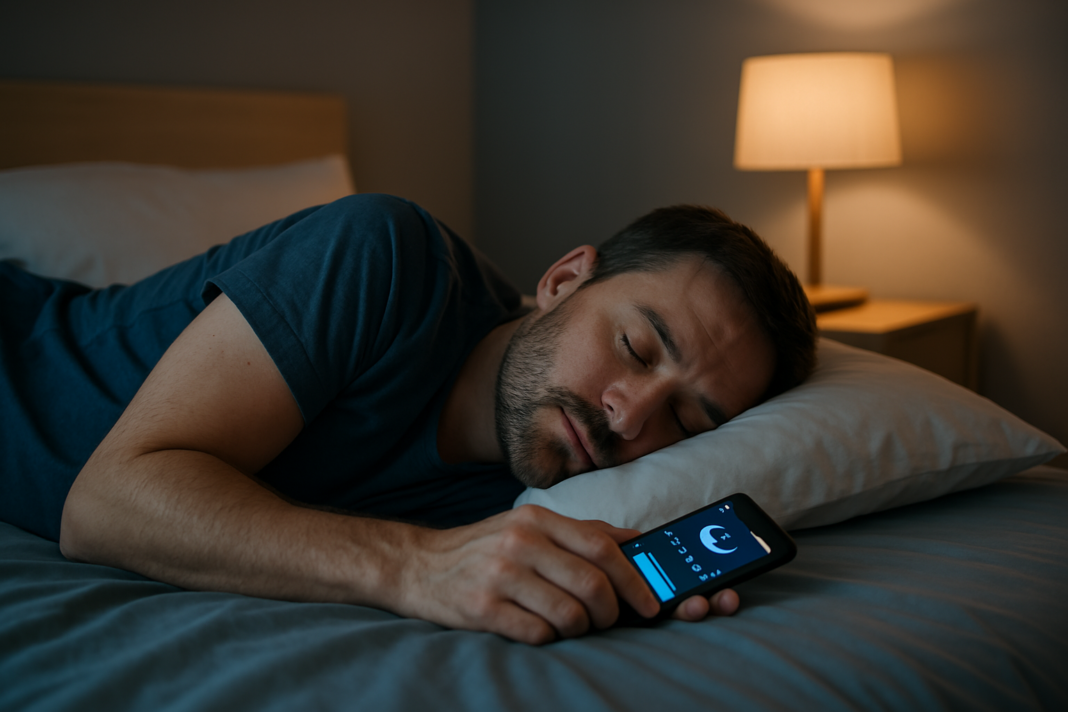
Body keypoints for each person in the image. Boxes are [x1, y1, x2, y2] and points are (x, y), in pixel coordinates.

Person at [0, 193, 815, 644]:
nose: (631, 417)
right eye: (636, 347)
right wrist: (414, 568)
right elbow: (105, 501)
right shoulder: (382, 260)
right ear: (565, 281)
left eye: (684, 416)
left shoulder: (541, 500)